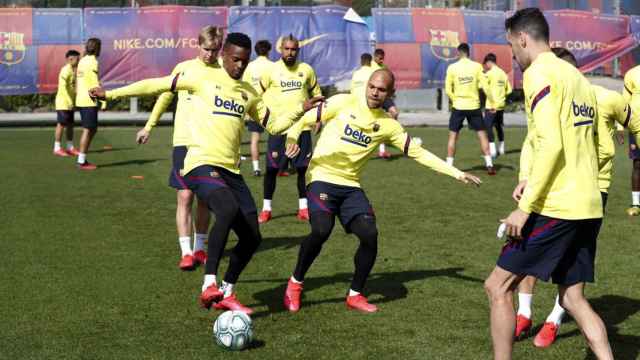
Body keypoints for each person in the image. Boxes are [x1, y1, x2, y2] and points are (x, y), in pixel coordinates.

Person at [90, 32, 324, 315]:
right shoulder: (200, 77)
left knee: (252, 238)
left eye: (244, 61)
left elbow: (272, 125)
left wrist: (301, 109)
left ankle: (226, 291)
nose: (239, 65)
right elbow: (156, 85)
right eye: (235, 59)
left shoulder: (248, 93)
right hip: (200, 163)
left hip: (231, 171)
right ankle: (208, 283)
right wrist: (110, 93)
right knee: (224, 208)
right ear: (224, 55)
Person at [282, 69, 482, 314]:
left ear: (390, 93)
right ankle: (295, 284)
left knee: (370, 235)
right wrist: (292, 138)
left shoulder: (388, 125)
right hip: (321, 177)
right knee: (322, 229)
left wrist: (457, 173)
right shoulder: (343, 101)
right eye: (373, 87)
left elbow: (419, 153)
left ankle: (355, 294)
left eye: (382, 89)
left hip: (350, 185)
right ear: (367, 85)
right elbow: (303, 120)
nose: (375, 92)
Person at [485, 9, 613, 360]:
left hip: (559, 205)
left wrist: (525, 208)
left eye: (511, 45)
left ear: (522, 38)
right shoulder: (577, 77)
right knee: (572, 298)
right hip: (589, 204)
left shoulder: (538, 73)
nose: (512, 53)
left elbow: (553, 144)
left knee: (497, 286)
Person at [513, 47, 640, 349]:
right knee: (526, 250)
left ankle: (553, 320)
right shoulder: (550, 95)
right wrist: (524, 177)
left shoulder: (605, 96)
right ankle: (524, 312)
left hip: (593, 190)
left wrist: (619, 131)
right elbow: (534, 139)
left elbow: (633, 118)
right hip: (550, 186)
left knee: (572, 266)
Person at [135, 26, 223, 270]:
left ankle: (200, 248)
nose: (210, 54)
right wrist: (148, 126)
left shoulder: (223, 72)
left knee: (205, 199)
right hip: (184, 142)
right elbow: (164, 96)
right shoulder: (184, 69)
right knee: (185, 196)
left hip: (210, 144)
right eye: (206, 49)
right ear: (198, 45)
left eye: (215, 50)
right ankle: (186, 252)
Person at [257, 34, 322, 224]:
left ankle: (303, 208)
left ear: (298, 50)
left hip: (302, 129)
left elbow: (317, 94)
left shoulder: (306, 70)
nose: (290, 52)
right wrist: (262, 116)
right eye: (287, 49)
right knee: (271, 169)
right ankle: (266, 209)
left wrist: (318, 117)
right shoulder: (271, 71)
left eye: (293, 49)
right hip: (279, 128)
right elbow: (256, 95)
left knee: (302, 169)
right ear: (281, 50)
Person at [445, 43, 494, 174]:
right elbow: (485, 86)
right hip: (474, 107)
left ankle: (449, 166)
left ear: (458, 53)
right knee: (482, 136)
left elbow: (448, 90)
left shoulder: (452, 67)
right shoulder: (477, 66)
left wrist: (455, 99)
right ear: (468, 53)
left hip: (458, 106)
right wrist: (493, 103)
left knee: (453, 137)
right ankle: (489, 164)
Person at [242, 40, 274, 177]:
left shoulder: (249, 67)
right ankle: (277, 165)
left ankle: (256, 168)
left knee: (254, 139)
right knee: (277, 139)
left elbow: (245, 88)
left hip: (255, 108)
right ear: (268, 51)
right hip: (272, 108)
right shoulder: (273, 66)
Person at [75, 38, 102, 170]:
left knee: (92, 129)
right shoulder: (92, 62)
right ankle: (81, 161)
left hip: (81, 99)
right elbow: (94, 84)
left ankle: (82, 157)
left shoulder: (82, 60)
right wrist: (102, 99)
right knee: (88, 129)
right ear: (97, 48)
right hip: (88, 100)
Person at [369, 48, 399, 158]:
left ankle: (387, 136)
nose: (382, 60)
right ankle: (382, 148)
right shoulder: (370, 68)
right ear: (375, 57)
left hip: (384, 96)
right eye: (380, 58)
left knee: (394, 113)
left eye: (383, 59)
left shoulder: (384, 68)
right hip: (374, 96)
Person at [482, 53, 512, 158]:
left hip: (491, 105)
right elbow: (509, 90)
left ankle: (493, 151)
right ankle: (502, 149)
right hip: (501, 105)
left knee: (487, 127)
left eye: (486, 64)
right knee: (499, 126)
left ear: (489, 62)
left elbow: (482, 86)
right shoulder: (503, 74)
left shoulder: (490, 74)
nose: (486, 66)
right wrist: (500, 95)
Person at [53, 50, 80, 157]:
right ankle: (57, 148)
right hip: (63, 103)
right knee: (61, 124)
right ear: (70, 59)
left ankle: (70, 147)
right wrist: (69, 102)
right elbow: (62, 87)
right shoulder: (65, 70)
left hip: (70, 103)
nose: (79, 61)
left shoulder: (74, 70)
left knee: (70, 125)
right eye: (77, 59)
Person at [623, 64, 640, 216]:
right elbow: (624, 103)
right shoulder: (632, 73)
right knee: (638, 164)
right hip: (636, 125)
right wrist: (621, 128)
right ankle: (636, 203)